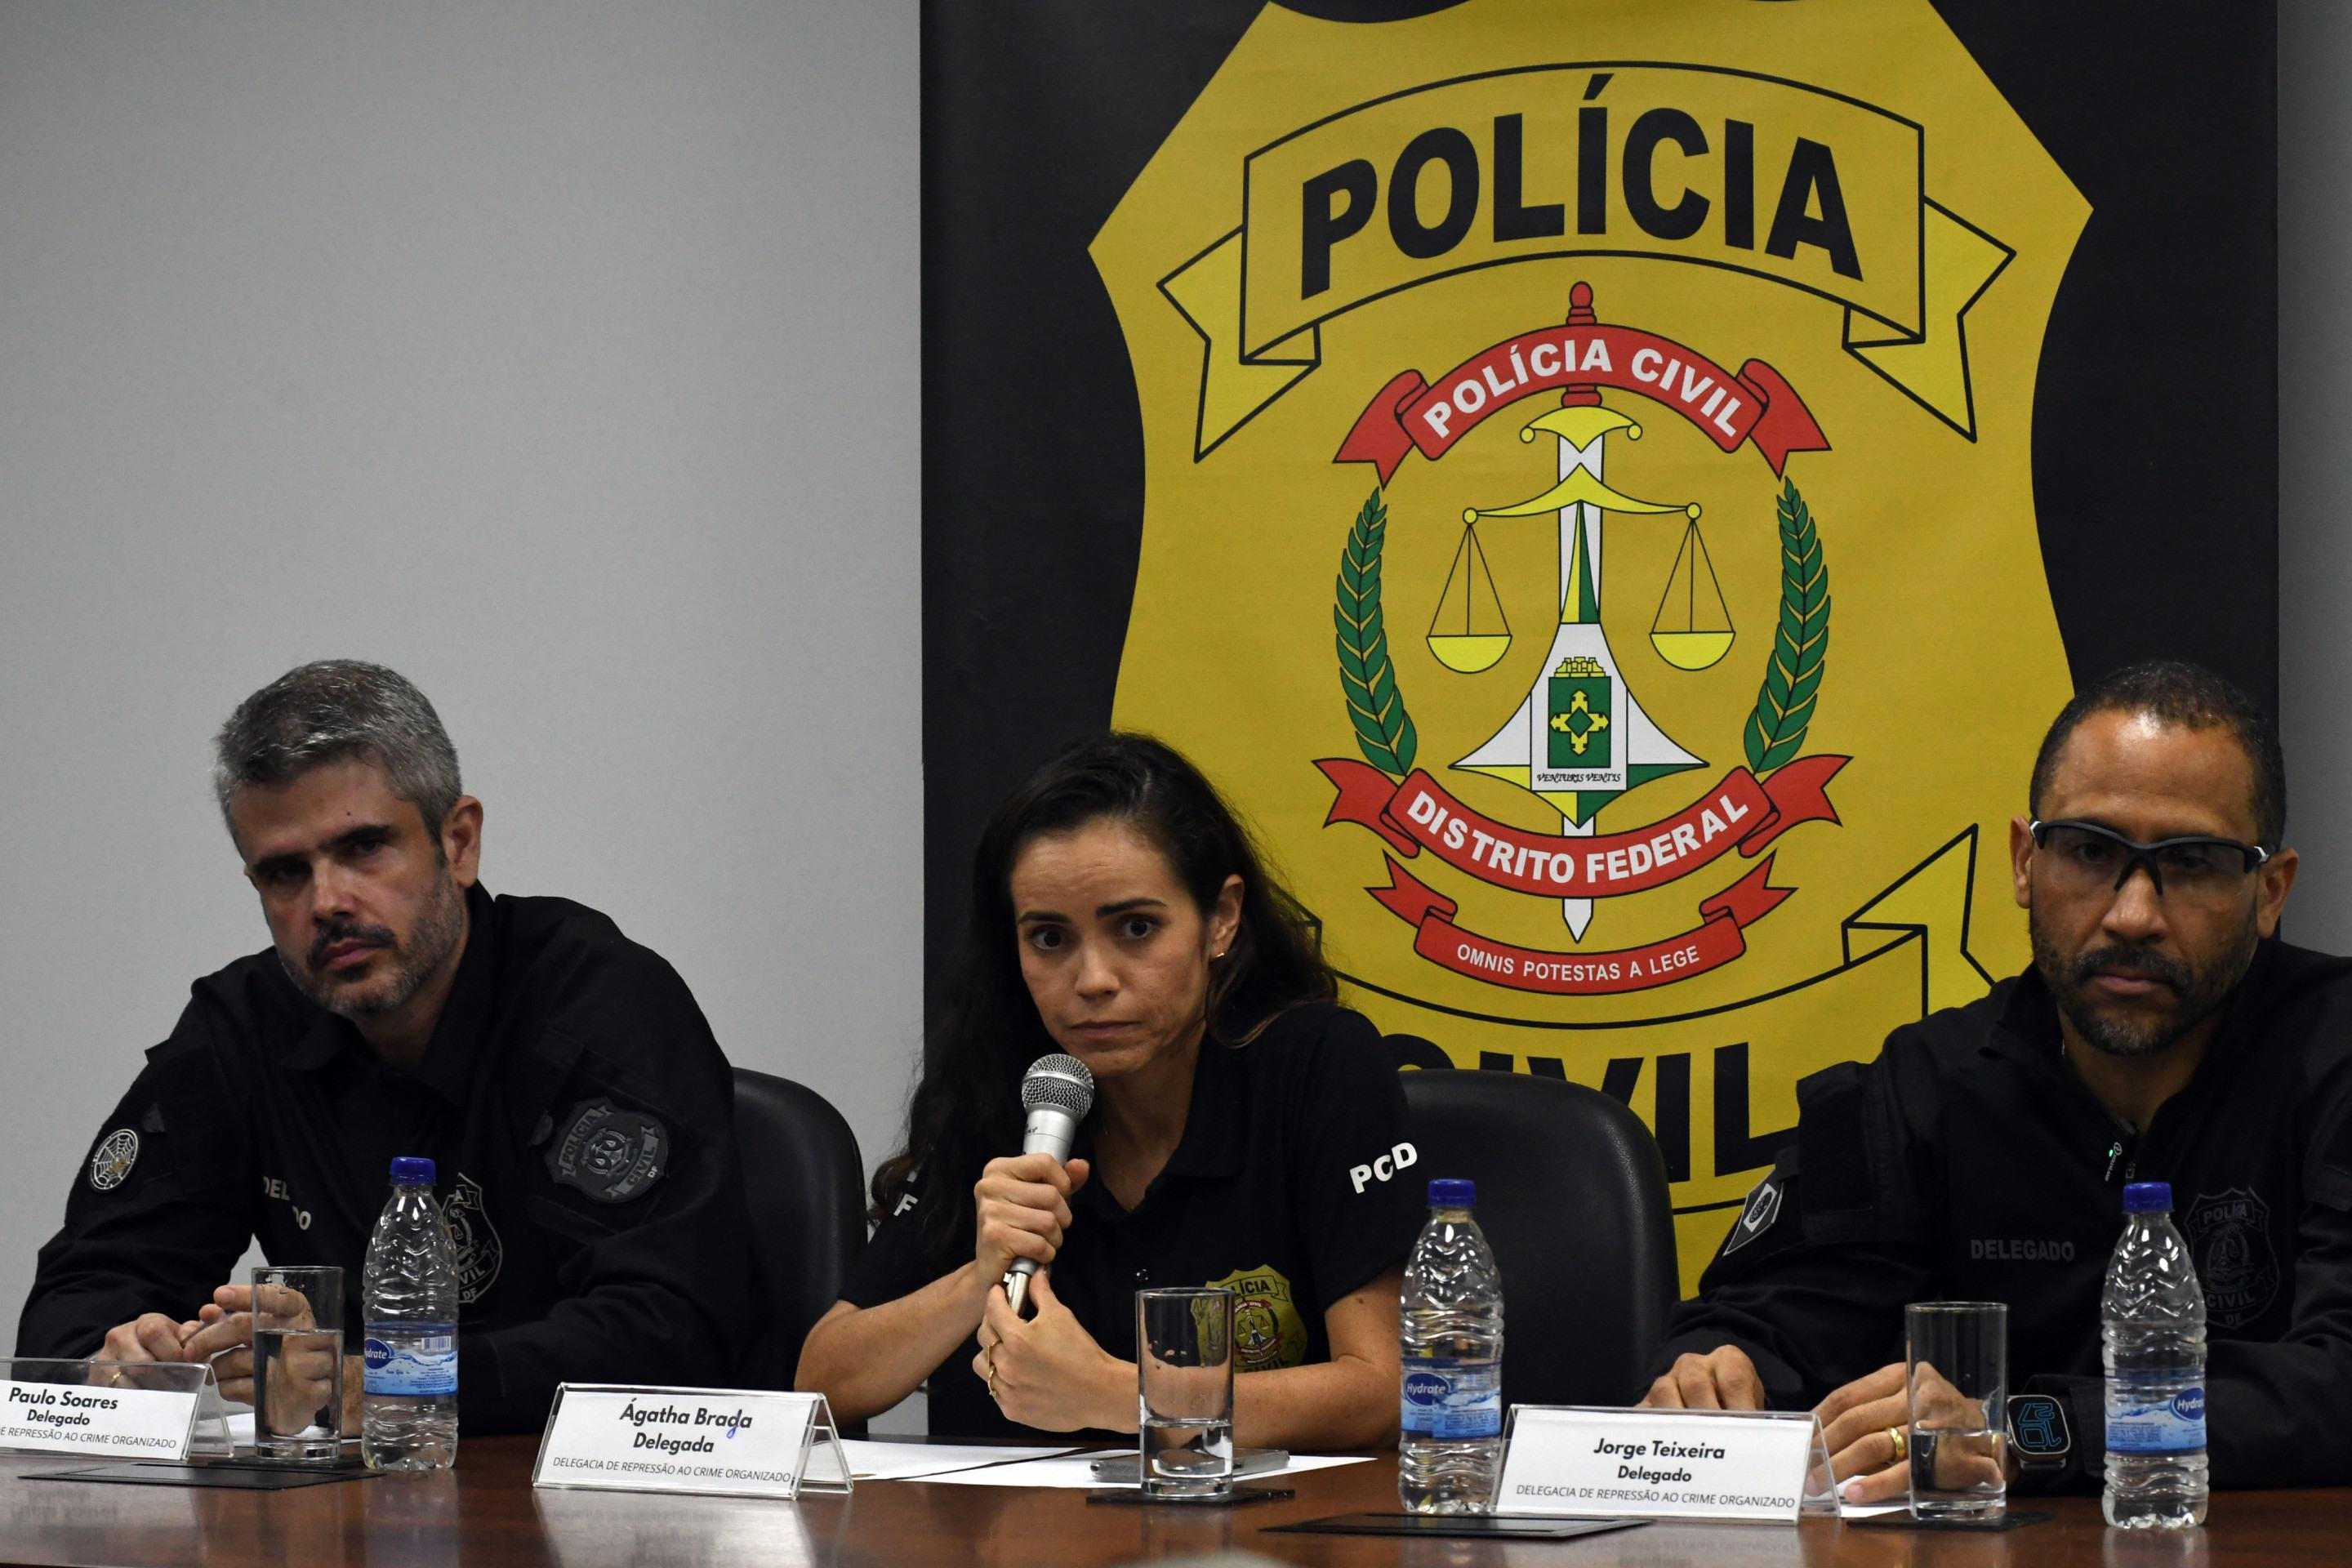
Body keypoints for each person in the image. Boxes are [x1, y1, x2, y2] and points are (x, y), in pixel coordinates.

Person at [1641, 660, 2352, 1496]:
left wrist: (2027, 1431)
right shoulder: (1926, 1086)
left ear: (2269, 893)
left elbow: (2339, 1385)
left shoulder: (2334, 1056)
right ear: (2024, 863)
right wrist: (1720, 1371)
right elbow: (1777, 1318)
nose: (2133, 915)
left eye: (2192, 864)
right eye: (2090, 853)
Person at [16, 660, 754, 1432]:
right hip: (358, 1511)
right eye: (285, 874)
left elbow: (671, 1334)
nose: (328, 903)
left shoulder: (598, 999)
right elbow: (82, 1293)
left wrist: (391, 1382)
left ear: (458, 843)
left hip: (612, 1513)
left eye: (365, 848)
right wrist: (116, 1361)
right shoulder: (243, 1027)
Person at [797, 734, 1418, 1445]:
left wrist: (1121, 1396)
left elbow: (1387, 1388)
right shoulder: (1011, 1081)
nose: (1092, 980)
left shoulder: (1315, 1064)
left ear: (1220, 919)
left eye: (1136, 928)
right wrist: (981, 1275)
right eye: (1050, 939)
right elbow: (821, 1383)